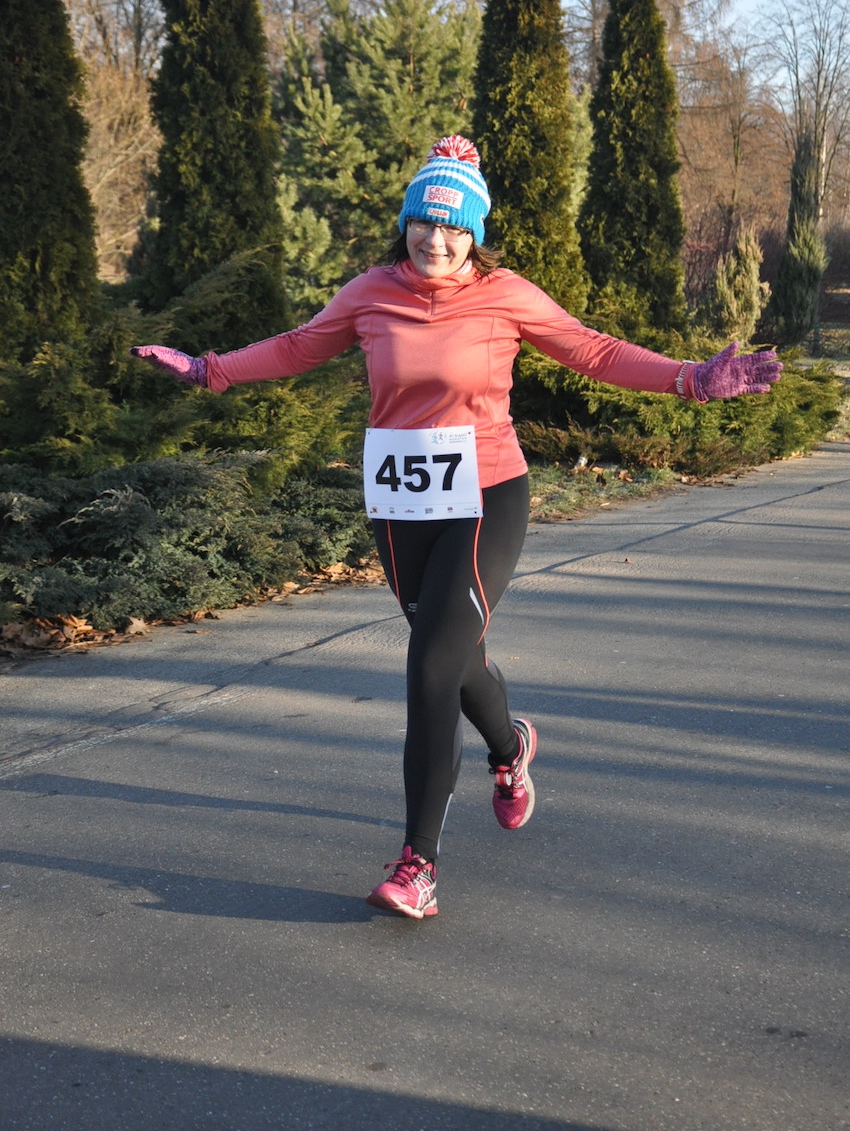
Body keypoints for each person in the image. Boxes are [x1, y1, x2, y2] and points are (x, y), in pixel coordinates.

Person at [131, 135, 783, 920]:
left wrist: (689, 379)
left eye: (453, 227)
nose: (435, 240)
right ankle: (511, 749)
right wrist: (210, 370)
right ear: (404, 223)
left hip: (486, 493)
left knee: (431, 663)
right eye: (423, 222)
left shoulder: (506, 295)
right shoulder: (371, 293)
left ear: (474, 234)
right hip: (401, 503)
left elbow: (593, 350)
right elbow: (299, 347)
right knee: (456, 654)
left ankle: (418, 865)